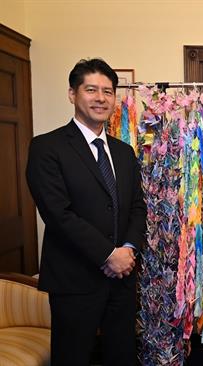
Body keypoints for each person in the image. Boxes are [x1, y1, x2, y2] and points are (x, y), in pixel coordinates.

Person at [26, 58, 146, 365]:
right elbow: (58, 214)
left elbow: (137, 206)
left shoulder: (123, 151)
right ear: (72, 94)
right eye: (91, 89)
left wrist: (128, 251)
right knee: (72, 357)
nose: (101, 98)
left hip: (122, 279)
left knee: (122, 356)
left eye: (108, 91)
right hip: (74, 279)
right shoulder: (47, 148)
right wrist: (109, 254)